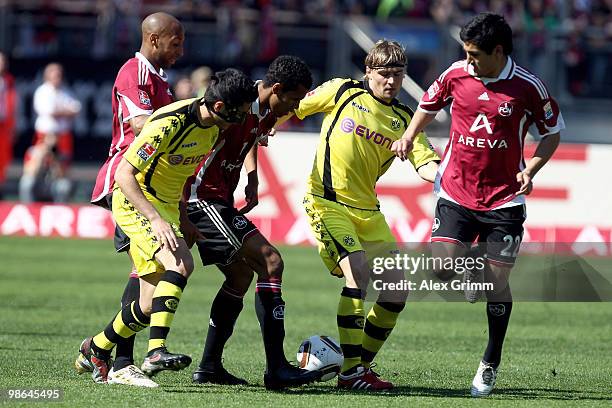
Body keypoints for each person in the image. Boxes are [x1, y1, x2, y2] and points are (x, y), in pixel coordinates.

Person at [391, 13, 563, 397]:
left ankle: (489, 362)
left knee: (496, 285)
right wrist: (408, 136)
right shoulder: (456, 74)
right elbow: (429, 104)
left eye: (474, 55)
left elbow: (551, 134)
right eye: (465, 53)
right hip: (455, 192)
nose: (468, 62)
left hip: (504, 199)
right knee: (439, 269)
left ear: (498, 51)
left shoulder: (528, 87)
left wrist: (531, 168)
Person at [76, 69, 257, 386]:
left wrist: (182, 216)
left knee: (147, 305)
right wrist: (156, 219)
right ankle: (155, 350)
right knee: (181, 262)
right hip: (136, 199)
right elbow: (124, 175)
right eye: (239, 113)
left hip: (168, 206)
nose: (242, 119)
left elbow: (186, 175)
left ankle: (97, 347)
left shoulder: (215, 129)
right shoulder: (169, 121)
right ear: (218, 107)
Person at [291, 40, 440, 390]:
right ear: (369, 72)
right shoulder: (342, 92)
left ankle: (359, 367)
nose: (390, 81)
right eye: (384, 74)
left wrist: (450, 178)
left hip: (368, 212)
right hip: (326, 201)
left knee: (396, 291)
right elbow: (294, 107)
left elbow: (426, 163)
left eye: (398, 74)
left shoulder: (405, 120)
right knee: (356, 273)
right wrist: (263, 126)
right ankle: (352, 374)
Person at [185, 55, 320, 390]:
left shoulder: (266, 112)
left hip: (217, 198)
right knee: (271, 260)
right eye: (294, 98)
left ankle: (209, 367)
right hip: (200, 197)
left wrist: (252, 177)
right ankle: (277, 369)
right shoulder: (237, 101)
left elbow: (248, 139)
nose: (296, 105)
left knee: (241, 275)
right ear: (276, 89)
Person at [78, 12, 185, 387]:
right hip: (127, 182)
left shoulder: (159, 79)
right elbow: (141, 124)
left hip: (150, 183)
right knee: (151, 276)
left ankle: (101, 352)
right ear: (155, 40)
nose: (180, 49)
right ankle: (118, 360)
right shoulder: (134, 72)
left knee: (148, 274)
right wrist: (183, 117)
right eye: (176, 41)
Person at [32, 63, 81, 169]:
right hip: (45, 135)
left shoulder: (66, 91)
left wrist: (61, 112)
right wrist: (65, 112)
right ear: (48, 76)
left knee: (63, 164)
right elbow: (49, 111)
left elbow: (77, 109)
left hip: (63, 134)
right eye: (54, 75)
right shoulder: (42, 91)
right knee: (37, 162)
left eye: (59, 75)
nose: (57, 78)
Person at [18, 132, 71, 202]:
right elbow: (29, 173)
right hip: (37, 185)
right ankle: (28, 208)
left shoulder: (60, 153)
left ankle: (59, 209)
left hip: (52, 186)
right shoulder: (33, 151)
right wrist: (40, 157)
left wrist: (54, 160)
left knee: (64, 185)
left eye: (55, 137)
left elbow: (63, 175)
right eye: (49, 137)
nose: (52, 140)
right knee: (26, 182)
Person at [0, 52, 16, 198]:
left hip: (3, 124)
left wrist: (12, 126)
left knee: (3, 156)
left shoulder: (8, 80)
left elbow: (12, 105)